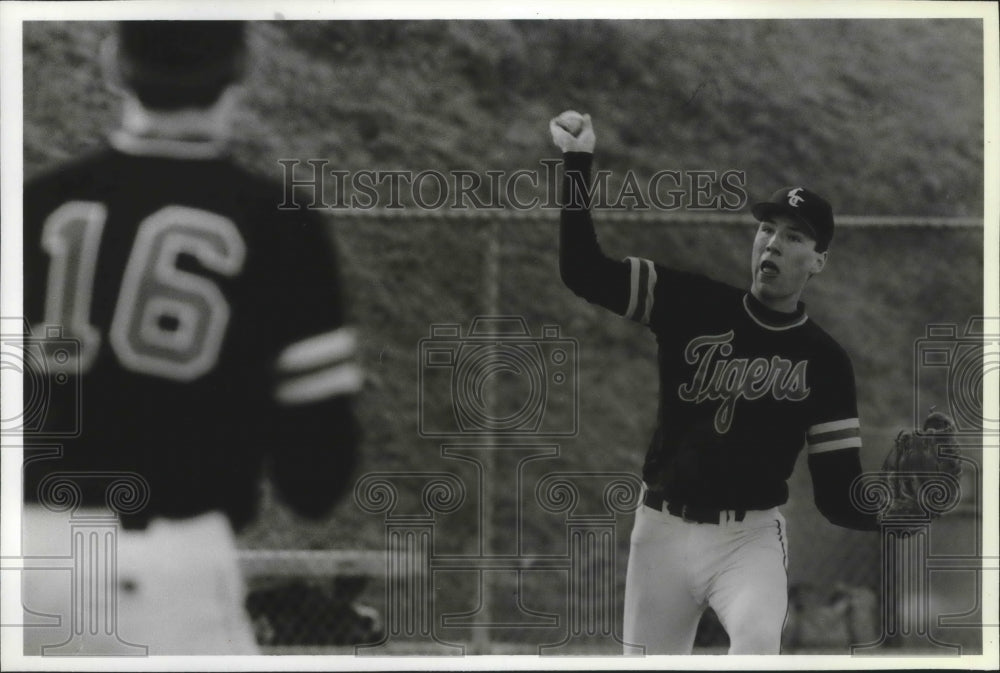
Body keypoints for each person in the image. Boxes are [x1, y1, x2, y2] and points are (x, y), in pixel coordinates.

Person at [21, 21, 361, 655]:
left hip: (21, 555)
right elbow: (316, 476)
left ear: (113, 63)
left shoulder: (33, 204)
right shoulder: (274, 221)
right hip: (165, 565)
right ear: (244, 66)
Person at [549, 110, 878, 655]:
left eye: (793, 236)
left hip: (748, 541)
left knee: (754, 648)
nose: (772, 243)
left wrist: (889, 511)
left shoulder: (824, 360)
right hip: (662, 530)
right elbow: (582, 270)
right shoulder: (692, 304)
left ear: (818, 261)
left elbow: (839, 493)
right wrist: (577, 161)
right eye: (767, 228)